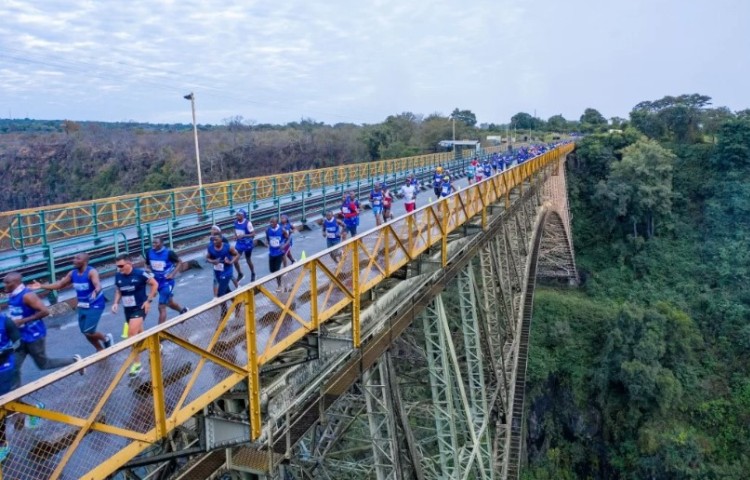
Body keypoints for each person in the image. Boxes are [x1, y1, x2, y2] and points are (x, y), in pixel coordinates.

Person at [3, 272, 82, 384]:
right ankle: (16, 396)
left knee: (43, 364)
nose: (4, 285)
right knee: (13, 367)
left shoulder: (27, 295)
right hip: (21, 337)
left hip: (34, 336)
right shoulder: (12, 294)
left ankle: (74, 361)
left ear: (15, 283)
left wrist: (22, 321)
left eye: (7, 282)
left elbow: (45, 311)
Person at [31, 253, 113, 352]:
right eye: (74, 258)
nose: (74, 260)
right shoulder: (72, 273)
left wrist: (96, 290)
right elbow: (59, 285)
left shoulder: (91, 272)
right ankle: (99, 349)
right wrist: (41, 286)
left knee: (88, 330)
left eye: (77, 259)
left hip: (95, 305)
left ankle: (106, 339)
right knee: (85, 331)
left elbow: (97, 284)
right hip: (82, 305)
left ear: (85, 262)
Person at [111, 254, 158, 377]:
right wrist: (115, 303)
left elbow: (155, 284)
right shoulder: (118, 276)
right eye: (117, 266)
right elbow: (118, 290)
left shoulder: (140, 274)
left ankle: (137, 365)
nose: (119, 268)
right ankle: (156, 346)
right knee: (141, 334)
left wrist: (149, 301)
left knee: (131, 335)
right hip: (128, 309)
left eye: (121, 266)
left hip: (140, 308)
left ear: (129, 264)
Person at [145, 237, 188, 325]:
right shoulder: (149, 252)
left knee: (161, 307)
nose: (154, 245)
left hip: (167, 282)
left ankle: (160, 333)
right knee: (169, 302)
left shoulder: (169, 253)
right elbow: (146, 264)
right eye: (153, 243)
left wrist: (173, 274)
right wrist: (147, 270)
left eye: (156, 243)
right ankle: (183, 311)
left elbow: (180, 262)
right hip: (156, 282)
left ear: (161, 244)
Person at [266, 217, 290, 291]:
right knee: (272, 270)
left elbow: (288, 239)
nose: (271, 224)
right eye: (270, 222)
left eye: (272, 222)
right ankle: (280, 277)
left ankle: (279, 285)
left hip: (279, 252)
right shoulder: (268, 230)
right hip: (271, 252)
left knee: (277, 270)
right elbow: (267, 239)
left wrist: (284, 245)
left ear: (276, 223)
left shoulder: (282, 230)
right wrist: (267, 243)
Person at [233, 209, 256, 283]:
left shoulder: (248, 223)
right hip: (239, 244)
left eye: (239, 215)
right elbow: (235, 230)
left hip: (247, 243)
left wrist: (244, 235)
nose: (237, 216)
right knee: (235, 260)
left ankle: (253, 273)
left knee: (248, 259)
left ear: (243, 216)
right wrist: (236, 236)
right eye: (237, 214)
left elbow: (253, 234)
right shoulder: (235, 222)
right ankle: (240, 273)